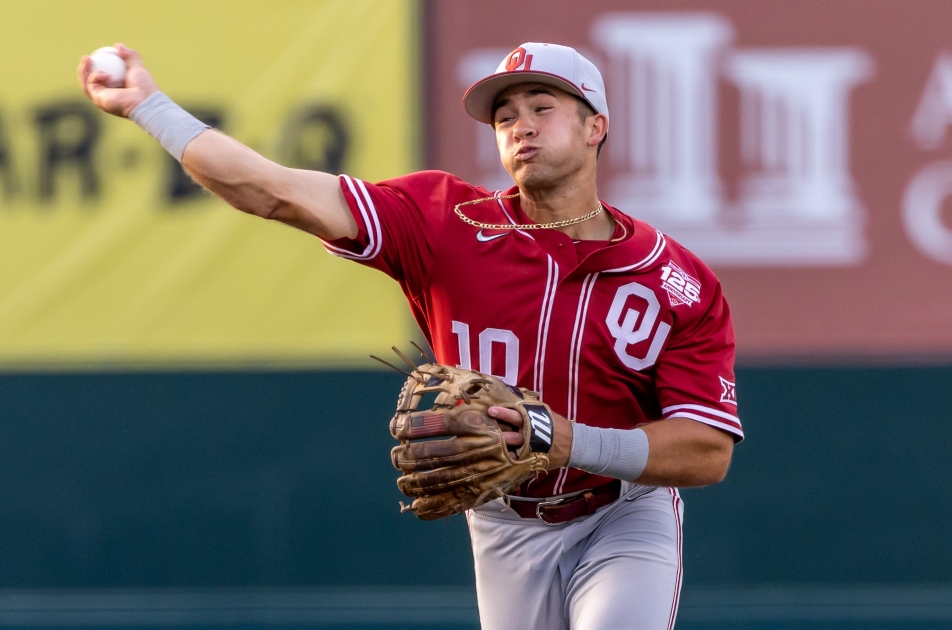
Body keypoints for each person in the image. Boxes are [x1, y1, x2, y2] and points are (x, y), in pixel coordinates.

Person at [78, 41, 742, 630]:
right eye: (504, 116)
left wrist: (564, 440)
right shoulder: (443, 223)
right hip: (503, 521)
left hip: (621, 516)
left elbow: (707, 453)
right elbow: (271, 191)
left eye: (542, 106)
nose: (520, 127)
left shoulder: (675, 280)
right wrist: (151, 107)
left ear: (596, 127)